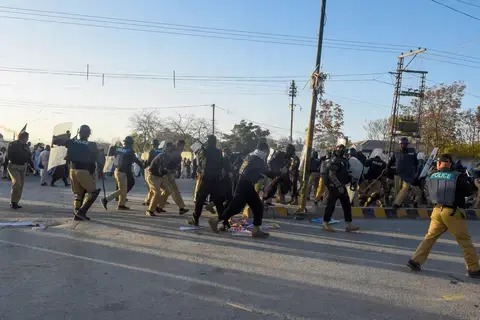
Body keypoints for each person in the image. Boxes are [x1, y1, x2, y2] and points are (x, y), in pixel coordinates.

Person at [407, 154, 480, 279]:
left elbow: (426, 193)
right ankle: (473, 269)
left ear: (438, 164)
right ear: (450, 164)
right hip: (452, 213)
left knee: (429, 238)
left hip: (436, 211)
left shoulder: (431, 175)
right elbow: (469, 191)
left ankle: (415, 261)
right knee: (464, 241)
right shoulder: (458, 176)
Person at [208, 141, 274, 238]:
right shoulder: (257, 159)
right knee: (235, 208)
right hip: (245, 185)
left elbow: (247, 170)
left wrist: (257, 175)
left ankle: (256, 230)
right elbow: (267, 172)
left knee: (258, 206)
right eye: (266, 151)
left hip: (245, 183)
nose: (266, 153)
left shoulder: (250, 156)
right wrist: (280, 172)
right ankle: (216, 220)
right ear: (263, 150)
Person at [53, 125, 103, 220]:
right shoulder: (91, 144)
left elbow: (56, 140)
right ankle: (81, 212)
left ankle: (76, 213)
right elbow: (97, 158)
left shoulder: (72, 141)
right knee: (93, 192)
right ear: (88, 134)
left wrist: (64, 136)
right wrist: (100, 171)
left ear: (79, 133)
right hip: (83, 171)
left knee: (78, 194)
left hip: (72, 170)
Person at [189, 135, 225, 227]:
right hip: (216, 178)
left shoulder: (204, 150)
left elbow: (199, 162)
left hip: (206, 178)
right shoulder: (219, 151)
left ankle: (195, 219)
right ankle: (225, 222)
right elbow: (221, 163)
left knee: (200, 199)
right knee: (218, 201)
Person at [322, 144, 360, 232]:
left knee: (347, 205)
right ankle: (325, 223)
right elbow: (332, 175)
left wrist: (352, 179)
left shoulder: (344, 160)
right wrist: (338, 185)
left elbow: (346, 172)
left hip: (342, 186)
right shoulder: (335, 160)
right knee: (331, 205)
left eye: (343, 149)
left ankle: (348, 224)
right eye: (340, 149)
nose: (342, 150)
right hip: (334, 186)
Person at [101, 136, 143, 211]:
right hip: (122, 172)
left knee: (124, 188)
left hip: (116, 171)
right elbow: (135, 160)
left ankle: (121, 205)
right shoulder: (130, 151)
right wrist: (143, 166)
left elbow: (110, 154)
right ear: (130, 143)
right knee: (122, 190)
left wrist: (112, 147)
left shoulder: (118, 149)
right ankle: (106, 199)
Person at [387, 137, 421, 210]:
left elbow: (416, 164)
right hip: (398, 174)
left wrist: (415, 173)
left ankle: (396, 204)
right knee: (397, 190)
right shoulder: (396, 152)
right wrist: (387, 168)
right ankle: (397, 203)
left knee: (405, 188)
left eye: (405, 144)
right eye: (401, 144)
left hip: (408, 174)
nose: (403, 145)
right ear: (399, 144)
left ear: (407, 144)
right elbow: (391, 161)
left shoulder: (412, 152)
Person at [156, 140, 189, 215]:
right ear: (178, 145)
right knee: (173, 190)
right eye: (181, 146)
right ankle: (181, 208)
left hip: (170, 173)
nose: (182, 148)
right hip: (166, 173)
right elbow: (165, 161)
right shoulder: (171, 151)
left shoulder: (176, 152)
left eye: (183, 146)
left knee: (170, 191)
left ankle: (159, 207)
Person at [5, 131, 35, 209]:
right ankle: (12, 202)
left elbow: (29, 157)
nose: (28, 138)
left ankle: (15, 202)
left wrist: (33, 167)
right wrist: (5, 166)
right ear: (23, 137)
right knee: (17, 183)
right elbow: (7, 156)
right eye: (27, 137)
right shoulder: (13, 144)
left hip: (23, 167)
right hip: (13, 166)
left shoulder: (26, 146)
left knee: (20, 185)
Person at [145, 145, 171, 217]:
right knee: (157, 193)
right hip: (153, 176)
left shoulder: (168, 157)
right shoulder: (162, 156)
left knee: (167, 191)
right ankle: (150, 210)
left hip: (160, 177)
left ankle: (159, 207)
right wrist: (168, 171)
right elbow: (161, 171)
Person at [142, 139, 164, 207]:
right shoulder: (161, 151)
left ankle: (148, 200)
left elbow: (148, 161)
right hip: (159, 171)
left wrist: (144, 164)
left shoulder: (151, 152)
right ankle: (148, 200)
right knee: (154, 187)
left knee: (152, 187)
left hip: (151, 169)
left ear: (152, 145)